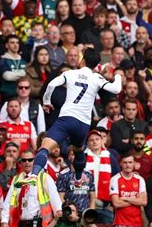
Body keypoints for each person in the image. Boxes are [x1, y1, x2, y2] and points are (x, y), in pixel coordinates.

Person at [27, 49, 122, 184]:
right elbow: (116, 89)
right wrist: (117, 75)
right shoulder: (97, 77)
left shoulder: (70, 73)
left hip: (66, 119)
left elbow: (51, 84)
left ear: (82, 60)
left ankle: (34, 175)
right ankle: (78, 177)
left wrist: (47, 102)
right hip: (83, 124)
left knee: (44, 148)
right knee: (78, 151)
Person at [0, 150, 63, 227]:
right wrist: (4, 220)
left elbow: (55, 200)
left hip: (40, 224)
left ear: (35, 161)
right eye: (24, 160)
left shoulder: (44, 178)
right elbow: (8, 202)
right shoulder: (17, 179)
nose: (27, 162)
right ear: (20, 162)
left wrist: (58, 213)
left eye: (30, 160)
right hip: (21, 224)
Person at [110, 154, 147, 227]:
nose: (128, 165)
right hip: (121, 223)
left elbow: (144, 202)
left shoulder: (140, 179)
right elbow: (116, 203)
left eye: (130, 162)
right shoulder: (115, 179)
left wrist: (125, 198)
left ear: (134, 164)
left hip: (138, 223)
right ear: (120, 164)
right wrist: (136, 200)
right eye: (125, 162)